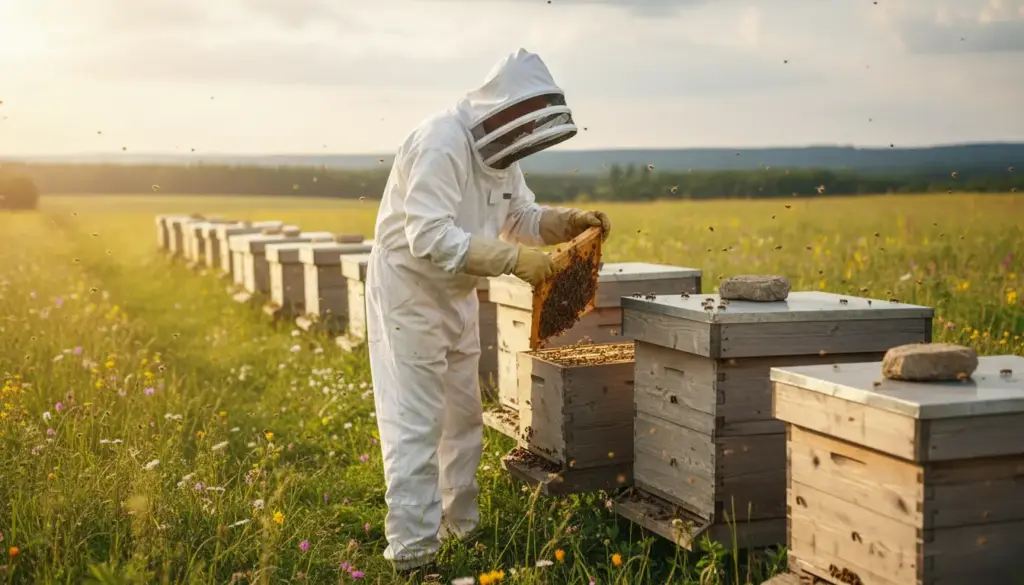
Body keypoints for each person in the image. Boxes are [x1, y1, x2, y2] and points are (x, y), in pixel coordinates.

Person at [365, 48, 612, 574]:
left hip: (457, 294)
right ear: (501, 112)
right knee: (416, 424)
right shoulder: (440, 141)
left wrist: (566, 222)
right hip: (409, 291)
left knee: (463, 416)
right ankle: (413, 555)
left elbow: (518, 214)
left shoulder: (501, 154)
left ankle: (463, 527)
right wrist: (513, 260)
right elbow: (427, 234)